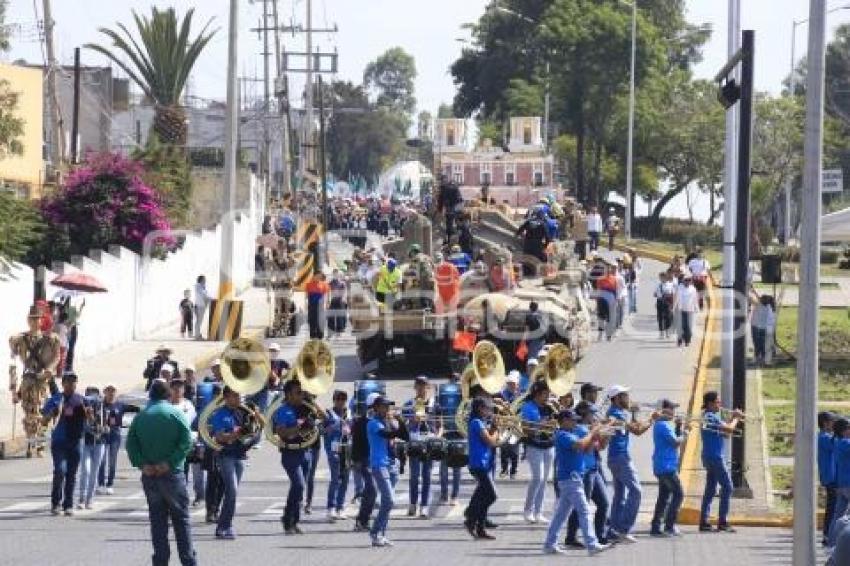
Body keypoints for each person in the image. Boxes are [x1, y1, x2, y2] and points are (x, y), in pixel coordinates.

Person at [126, 379, 196, 566]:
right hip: (172, 474)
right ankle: (188, 561)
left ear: (150, 396)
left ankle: (160, 562)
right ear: (169, 395)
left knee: (158, 522)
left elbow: (131, 445)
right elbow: (187, 441)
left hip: (150, 475)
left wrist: (142, 464)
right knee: (181, 520)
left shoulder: (141, 417)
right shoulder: (176, 413)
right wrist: (170, 462)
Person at [543, 409, 610, 555]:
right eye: (573, 420)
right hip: (570, 479)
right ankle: (592, 545)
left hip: (573, 479)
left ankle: (549, 544)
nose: (575, 422)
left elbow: (586, 450)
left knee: (561, 515)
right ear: (565, 421)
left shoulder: (571, 434)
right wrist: (592, 433)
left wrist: (595, 437)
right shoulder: (562, 435)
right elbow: (579, 445)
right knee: (585, 511)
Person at [208, 386, 260, 539]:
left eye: (239, 395)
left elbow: (253, 430)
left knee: (232, 493)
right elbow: (220, 437)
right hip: (226, 456)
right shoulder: (219, 414)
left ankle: (223, 526)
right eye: (235, 396)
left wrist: (255, 421)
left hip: (240, 455)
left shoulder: (243, 411)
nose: (239, 398)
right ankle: (225, 526)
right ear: (226, 397)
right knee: (232, 490)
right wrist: (236, 434)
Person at [606, 384, 654, 543]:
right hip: (620, 458)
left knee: (620, 495)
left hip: (616, 458)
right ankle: (623, 529)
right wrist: (652, 419)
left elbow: (634, 427)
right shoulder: (616, 414)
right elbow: (638, 431)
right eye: (625, 395)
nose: (628, 398)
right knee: (636, 491)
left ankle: (613, 529)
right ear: (617, 398)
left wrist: (634, 414)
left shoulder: (618, 412)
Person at [564, 401, 610, 548]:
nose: (594, 416)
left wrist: (607, 435)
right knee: (582, 505)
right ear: (584, 414)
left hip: (594, 469)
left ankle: (600, 535)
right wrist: (594, 433)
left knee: (603, 503)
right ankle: (571, 536)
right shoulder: (578, 429)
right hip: (584, 471)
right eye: (591, 413)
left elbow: (600, 447)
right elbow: (585, 449)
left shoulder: (588, 429)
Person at [42, 372, 88, 516]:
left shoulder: (81, 400)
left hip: (75, 441)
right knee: (60, 471)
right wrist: (53, 413)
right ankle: (55, 503)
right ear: (63, 384)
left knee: (71, 474)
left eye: (73, 381)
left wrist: (89, 413)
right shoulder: (56, 399)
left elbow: (92, 419)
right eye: (68, 381)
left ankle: (68, 504)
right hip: (59, 441)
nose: (71, 384)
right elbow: (43, 420)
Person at [699, 390, 743, 533]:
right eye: (718, 402)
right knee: (728, 487)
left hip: (708, 456)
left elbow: (725, 434)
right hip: (715, 457)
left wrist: (731, 421)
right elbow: (729, 429)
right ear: (710, 404)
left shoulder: (708, 417)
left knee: (711, 488)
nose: (720, 404)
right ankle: (722, 521)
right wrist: (736, 418)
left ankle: (704, 521)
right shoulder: (710, 417)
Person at [272, 379, 312, 534]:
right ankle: (287, 517)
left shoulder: (305, 408)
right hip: (290, 453)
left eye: (302, 392)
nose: (301, 395)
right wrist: (299, 427)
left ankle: (293, 521)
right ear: (288, 395)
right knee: (299, 485)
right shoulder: (283, 410)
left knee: (299, 488)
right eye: (298, 392)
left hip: (305, 451)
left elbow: (320, 422)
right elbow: (282, 432)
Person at [366, 393, 404, 547]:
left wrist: (399, 421)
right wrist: (398, 423)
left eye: (388, 406)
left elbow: (404, 435)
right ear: (376, 408)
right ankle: (375, 532)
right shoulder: (373, 423)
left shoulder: (387, 422)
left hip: (391, 464)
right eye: (384, 406)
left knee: (387, 503)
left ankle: (381, 534)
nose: (387, 409)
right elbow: (388, 434)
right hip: (379, 464)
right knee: (389, 500)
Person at [464, 396, 500, 540]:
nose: (490, 410)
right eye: (487, 408)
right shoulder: (476, 422)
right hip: (478, 464)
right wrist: (496, 430)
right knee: (491, 495)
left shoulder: (481, 422)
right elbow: (490, 441)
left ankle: (480, 528)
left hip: (483, 463)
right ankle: (471, 519)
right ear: (480, 408)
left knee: (484, 496)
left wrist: (493, 428)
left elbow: (488, 438)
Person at [650, 399, 687, 537]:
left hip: (663, 465)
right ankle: (669, 526)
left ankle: (655, 527)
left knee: (664, 497)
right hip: (667, 467)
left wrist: (678, 427)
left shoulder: (663, 424)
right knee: (678, 494)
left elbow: (672, 441)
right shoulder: (663, 425)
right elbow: (675, 442)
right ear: (663, 410)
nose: (673, 412)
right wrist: (686, 433)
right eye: (671, 408)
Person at [403, 376, 438, 518]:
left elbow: (439, 425)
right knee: (414, 476)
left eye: (424, 385)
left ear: (428, 387)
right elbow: (402, 424)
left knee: (427, 476)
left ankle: (424, 506)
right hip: (415, 440)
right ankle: (412, 504)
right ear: (415, 387)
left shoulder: (434, 404)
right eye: (419, 385)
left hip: (428, 440)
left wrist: (437, 436)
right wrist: (412, 419)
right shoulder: (409, 404)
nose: (422, 388)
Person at [520, 381, 555, 524]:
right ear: (538, 393)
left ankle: (538, 512)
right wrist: (542, 425)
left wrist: (557, 415)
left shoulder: (550, 408)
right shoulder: (528, 407)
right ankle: (528, 510)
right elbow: (526, 429)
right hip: (534, 446)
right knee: (537, 478)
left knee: (545, 480)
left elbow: (557, 425)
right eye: (546, 393)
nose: (548, 396)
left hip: (549, 445)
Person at [323, 390, 351, 521]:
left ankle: (340, 507)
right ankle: (331, 508)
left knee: (345, 479)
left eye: (343, 399)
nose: (341, 402)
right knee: (335, 479)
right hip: (333, 449)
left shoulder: (349, 413)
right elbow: (322, 430)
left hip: (347, 448)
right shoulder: (328, 413)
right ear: (334, 400)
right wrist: (335, 425)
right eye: (338, 399)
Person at [77, 386, 107, 510]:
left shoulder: (103, 409)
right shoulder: (81, 410)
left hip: (100, 443)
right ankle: (82, 498)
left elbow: (108, 425)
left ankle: (90, 499)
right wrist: (88, 423)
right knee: (86, 470)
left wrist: (103, 429)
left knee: (94, 472)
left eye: (94, 396)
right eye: (89, 396)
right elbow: (80, 426)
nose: (92, 400)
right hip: (86, 443)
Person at [97, 385, 124, 494]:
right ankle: (101, 483)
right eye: (108, 391)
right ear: (104, 392)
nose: (111, 393)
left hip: (115, 435)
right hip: (103, 434)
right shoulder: (100, 405)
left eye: (113, 391)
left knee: (112, 461)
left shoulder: (120, 405)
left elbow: (136, 409)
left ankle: (110, 484)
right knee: (101, 460)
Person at [819, 412, 838, 546]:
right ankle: (828, 534)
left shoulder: (825, 437)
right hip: (831, 477)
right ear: (825, 423)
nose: (834, 424)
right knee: (832, 508)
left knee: (833, 507)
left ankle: (829, 534)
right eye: (832, 421)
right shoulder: (825, 438)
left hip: (830, 477)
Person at [499, 373, 521, 479]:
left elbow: (522, 412)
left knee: (514, 450)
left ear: (517, 385)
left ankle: (513, 470)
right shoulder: (502, 395)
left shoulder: (519, 397)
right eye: (510, 384)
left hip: (515, 426)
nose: (512, 386)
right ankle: (504, 469)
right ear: (507, 384)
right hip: (504, 425)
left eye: (514, 384)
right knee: (504, 449)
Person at [750, 295, 776, 366]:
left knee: (757, 344)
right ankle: (763, 359)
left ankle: (757, 358)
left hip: (757, 327)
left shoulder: (759, 306)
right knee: (763, 345)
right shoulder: (771, 309)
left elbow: (751, 299)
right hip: (766, 328)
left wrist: (751, 290)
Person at [676, 275, 700, 347]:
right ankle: (680, 339)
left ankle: (687, 340)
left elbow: (695, 299)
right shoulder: (679, 288)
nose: (687, 282)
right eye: (686, 280)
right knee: (682, 325)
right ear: (683, 281)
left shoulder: (693, 289)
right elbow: (676, 298)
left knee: (689, 326)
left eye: (689, 280)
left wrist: (697, 308)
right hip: (681, 309)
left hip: (690, 310)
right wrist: (674, 308)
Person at [305, 273, 330, 339]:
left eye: (320, 276)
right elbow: (307, 295)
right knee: (312, 320)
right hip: (312, 304)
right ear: (314, 276)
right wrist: (306, 303)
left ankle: (320, 334)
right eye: (317, 276)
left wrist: (327, 303)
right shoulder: (308, 284)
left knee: (320, 320)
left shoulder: (324, 284)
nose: (318, 277)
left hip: (321, 305)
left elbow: (326, 294)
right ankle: (312, 334)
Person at [654, 272, 676, 339]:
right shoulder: (658, 285)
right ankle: (661, 333)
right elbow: (654, 294)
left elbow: (673, 294)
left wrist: (672, 303)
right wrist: (657, 295)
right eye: (660, 277)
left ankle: (667, 332)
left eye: (662, 277)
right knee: (660, 317)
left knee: (668, 318)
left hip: (667, 302)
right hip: (660, 301)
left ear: (665, 278)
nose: (661, 279)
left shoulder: (670, 285)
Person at [194, 275, 212, 340]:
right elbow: (204, 295)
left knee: (199, 321)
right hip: (199, 306)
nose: (205, 281)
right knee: (199, 321)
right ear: (201, 280)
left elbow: (205, 295)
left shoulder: (201, 287)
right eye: (204, 279)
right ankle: (197, 336)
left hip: (201, 306)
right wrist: (212, 299)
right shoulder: (198, 286)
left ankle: (197, 335)